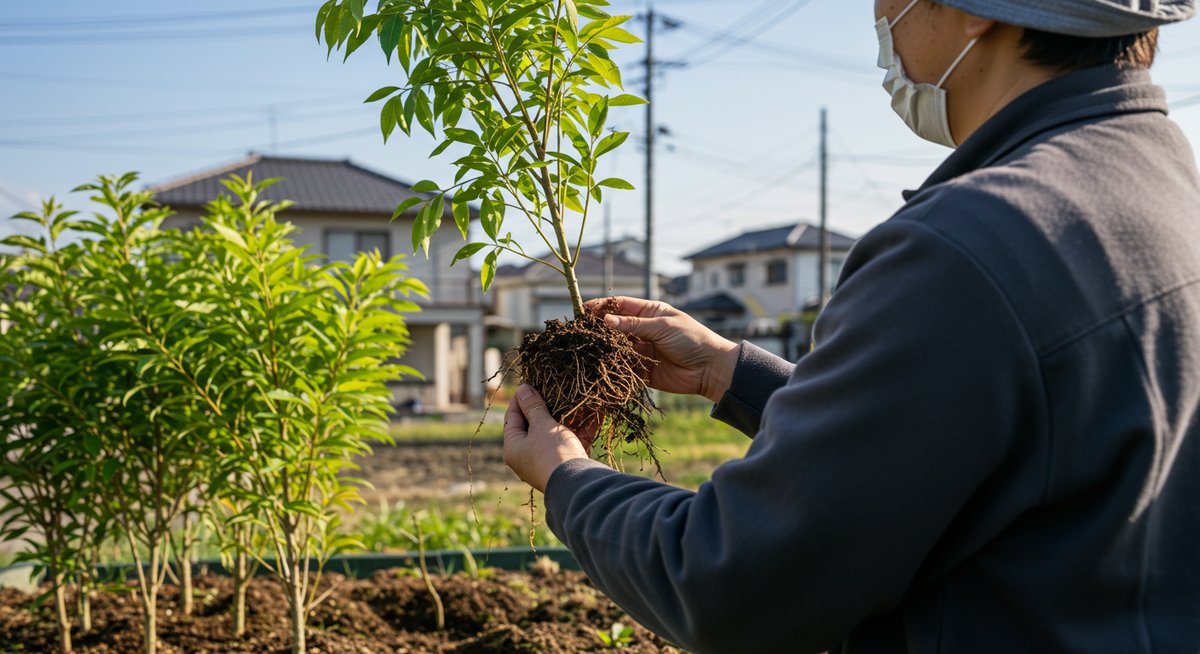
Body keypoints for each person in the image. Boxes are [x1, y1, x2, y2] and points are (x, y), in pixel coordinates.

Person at [503, 1, 1200, 651]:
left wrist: (568, 479)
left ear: (973, 14)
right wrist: (732, 374)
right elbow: (970, 438)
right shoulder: (1164, 186)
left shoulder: (966, 244)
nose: (880, 19)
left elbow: (734, 582)